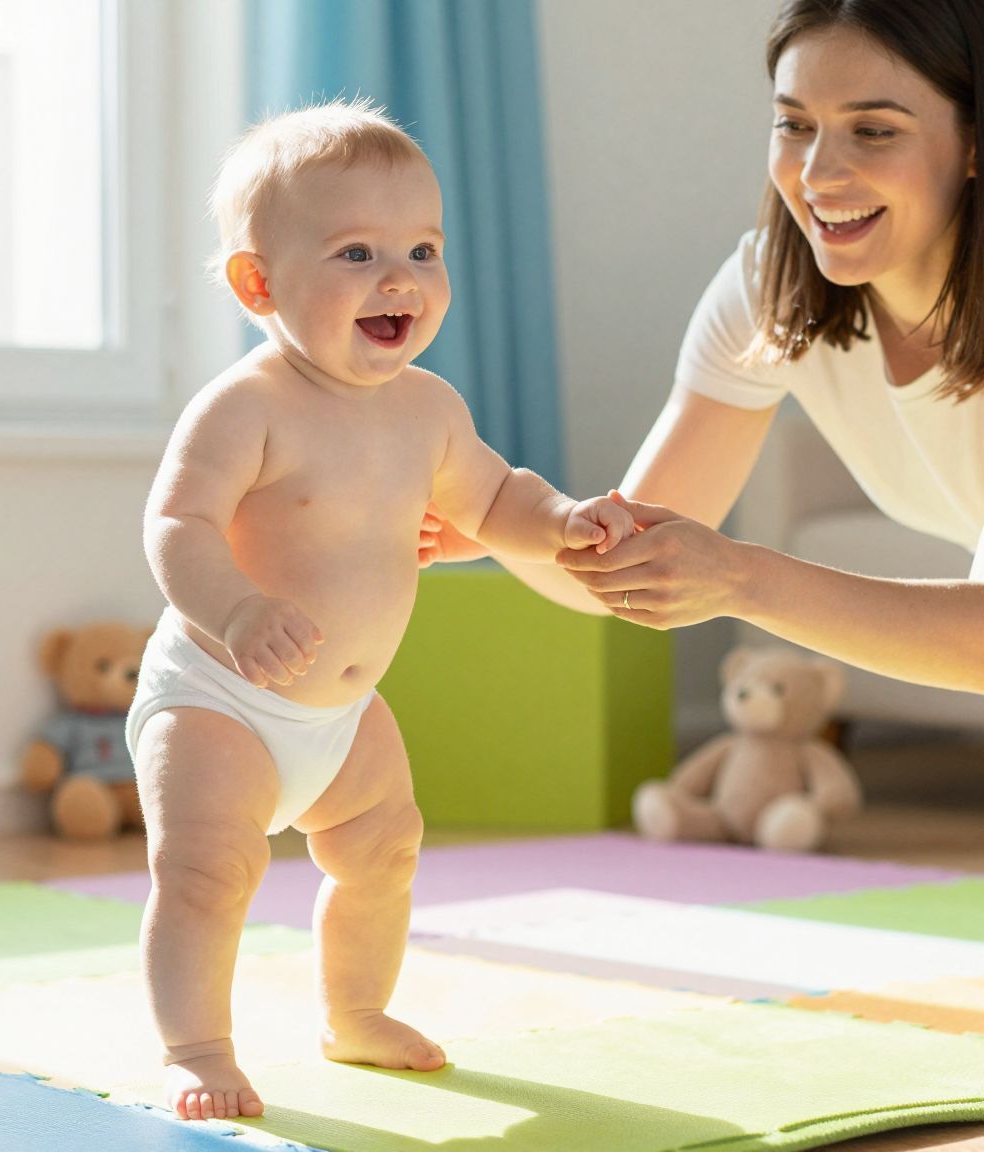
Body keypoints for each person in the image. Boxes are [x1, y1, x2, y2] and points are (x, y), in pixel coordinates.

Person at [421, 0, 984, 701]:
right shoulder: (766, 290)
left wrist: (740, 578)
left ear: (977, 143)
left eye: (874, 131)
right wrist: (491, 511)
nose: (819, 174)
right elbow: (620, 572)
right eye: (795, 124)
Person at [130, 100, 634, 1122]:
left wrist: (567, 521)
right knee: (206, 872)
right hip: (221, 695)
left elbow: (495, 502)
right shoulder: (248, 404)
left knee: (383, 850)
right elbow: (176, 523)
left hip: (341, 715)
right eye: (355, 252)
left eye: (421, 248)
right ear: (257, 283)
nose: (397, 276)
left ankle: (353, 1012)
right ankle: (194, 1046)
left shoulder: (429, 409)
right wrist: (233, 609)